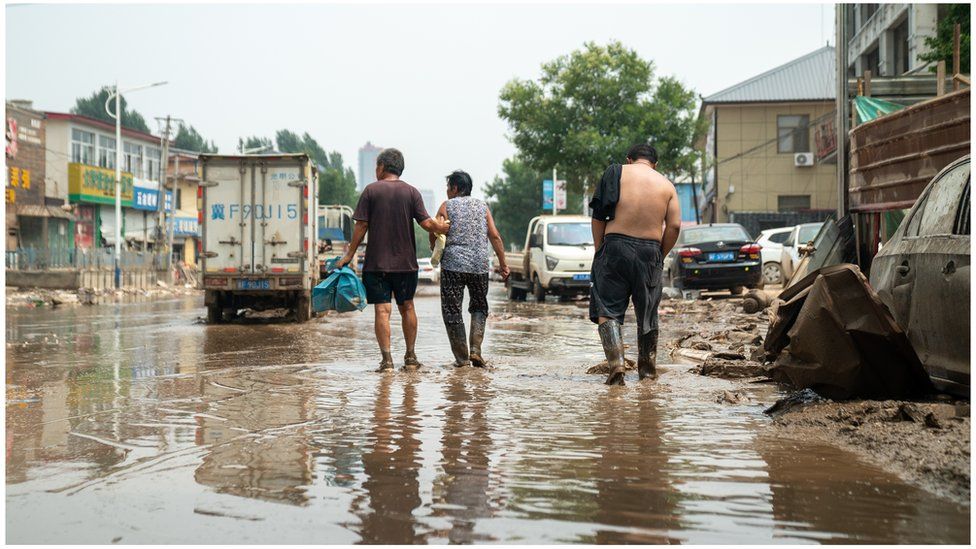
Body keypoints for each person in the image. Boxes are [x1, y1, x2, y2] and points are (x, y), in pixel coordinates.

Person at [338, 148, 450, 371]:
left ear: (381, 167)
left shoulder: (371, 191)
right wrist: (441, 227)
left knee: (382, 311)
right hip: (406, 264)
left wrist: (349, 254)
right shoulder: (412, 192)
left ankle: (387, 361)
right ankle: (410, 358)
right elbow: (426, 223)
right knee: (407, 307)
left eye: (376, 167)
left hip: (376, 264)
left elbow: (361, 225)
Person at [589, 143, 681, 385]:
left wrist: (600, 250)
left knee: (607, 308)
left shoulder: (616, 172)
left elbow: (599, 215)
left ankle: (617, 363)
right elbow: (674, 227)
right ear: (655, 164)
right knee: (648, 312)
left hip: (615, 246)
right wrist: (659, 253)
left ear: (629, 160)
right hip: (650, 250)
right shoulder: (667, 185)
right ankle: (648, 374)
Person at [430, 170, 510, 367]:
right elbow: (495, 236)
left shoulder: (446, 206)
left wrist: (434, 246)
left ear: (455, 188)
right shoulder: (483, 207)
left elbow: (435, 230)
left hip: (453, 266)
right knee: (480, 306)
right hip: (479, 265)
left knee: (452, 310)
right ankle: (475, 350)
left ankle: (462, 359)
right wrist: (503, 264)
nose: (447, 191)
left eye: (449, 187)